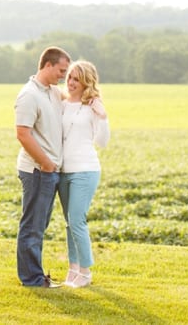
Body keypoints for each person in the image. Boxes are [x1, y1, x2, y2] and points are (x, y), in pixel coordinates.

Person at [15, 46, 71, 287]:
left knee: (40, 225)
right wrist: (46, 164)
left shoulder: (52, 92)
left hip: (49, 171)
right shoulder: (29, 95)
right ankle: (33, 279)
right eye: (61, 70)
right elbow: (23, 134)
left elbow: (76, 99)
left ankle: (35, 275)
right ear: (47, 65)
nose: (63, 76)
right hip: (38, 171)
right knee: (33, 226)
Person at [58, 60, 110, 288]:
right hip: (63, 171)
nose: (71, 82)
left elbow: (103, 142)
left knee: (77, 220)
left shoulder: (93, 106)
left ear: (86, 81)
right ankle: (73, 269)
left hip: (85, 169)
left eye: (76, 79)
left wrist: (103, 117)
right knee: (69, 223)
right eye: (69, 77)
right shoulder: (60, 104)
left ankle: (86, 272)